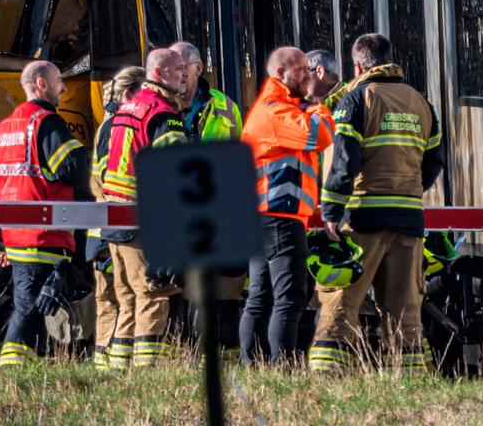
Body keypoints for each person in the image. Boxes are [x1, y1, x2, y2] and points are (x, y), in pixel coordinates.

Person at [311, 33, 443, 373]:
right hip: (409, 218)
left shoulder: (356, 100)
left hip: (363, 216)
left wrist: (331, 211)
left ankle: (328, 372)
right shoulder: (420, 102)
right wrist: (410, 190)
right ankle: (408, 374)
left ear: (357, 65)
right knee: (404, 307)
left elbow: (344, 161)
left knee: (342, 299)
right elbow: (434, 161)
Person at [0, 60, 91, 367]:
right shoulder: (47, 124)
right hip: (44, 235)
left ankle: (31, 368)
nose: (64, 87)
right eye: (59, 81)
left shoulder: (4, 129)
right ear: (42, 84)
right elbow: (73, 168)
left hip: (16, 239)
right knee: (29, 309)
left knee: (36, 306)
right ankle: (11, 372)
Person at [238, 46, 334, 366]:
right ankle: (283, 368)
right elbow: (320, 136)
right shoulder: (275, 110)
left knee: (261, 296)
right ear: (281, 73)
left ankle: (252, 363)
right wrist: (319, 102)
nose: (309, 75)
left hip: (265, 216)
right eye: (303, 70)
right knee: (289, 298)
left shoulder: (280, 107)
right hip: (278, 215)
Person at [96, 46, 191, 365]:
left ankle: (118, 374)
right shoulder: (162, 113)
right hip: (143, 220)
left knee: (127, 300)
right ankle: (148, 375)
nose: (186, 74)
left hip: (114, 217)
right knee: (153, 295)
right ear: (160, 73)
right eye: (179, 69)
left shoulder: (128, 109)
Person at [89, 66, 145, 370]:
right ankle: (121, 365)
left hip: (101, 228)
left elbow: (97, 181)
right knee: (128, 298)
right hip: (119, 226)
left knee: (109, 301)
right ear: (129, 93)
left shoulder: (105, 125)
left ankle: (105, 366)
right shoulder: (122, 126)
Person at [171, 41, 243, 141]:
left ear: (198, 68)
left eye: (181, 67)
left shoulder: (226, 105)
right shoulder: (158, 106)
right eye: (171, 69)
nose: (176, 74)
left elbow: (238, 150)